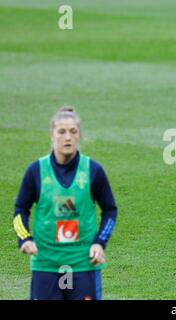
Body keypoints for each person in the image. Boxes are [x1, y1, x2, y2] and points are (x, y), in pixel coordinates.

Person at [13, 107, 117, 300]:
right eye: (61, 132)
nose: (67, 137)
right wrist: (25, 238)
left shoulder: (93, 171)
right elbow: (21, 209)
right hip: (46, 264)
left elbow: (110, 209)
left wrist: (100, 242)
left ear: (79, 136)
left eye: (73, 132)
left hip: (83, 264)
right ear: (51, 135)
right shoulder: (36, 171)